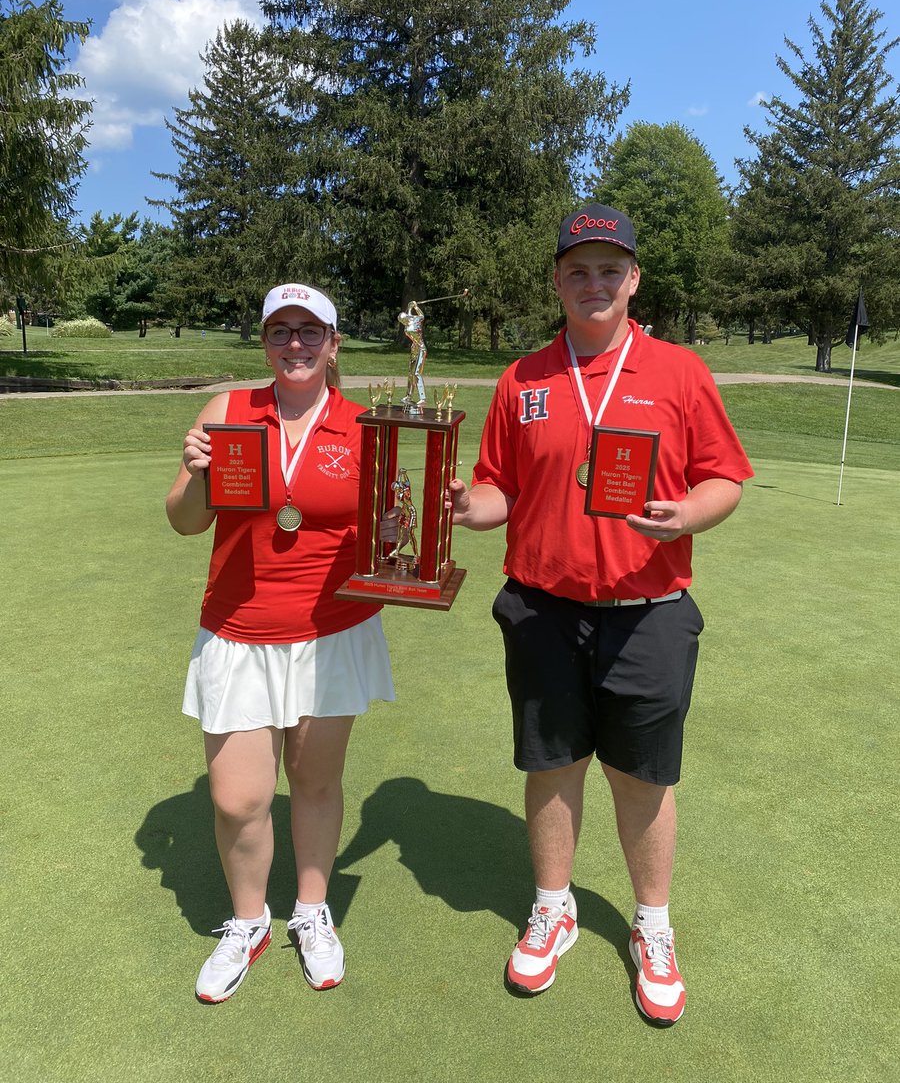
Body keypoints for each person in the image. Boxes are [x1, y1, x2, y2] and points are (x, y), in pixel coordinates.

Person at [450, 204, 753, 1026]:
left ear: (633, 279)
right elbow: (497, 488)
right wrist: (464, 505)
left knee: (642, 776)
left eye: (609, 270)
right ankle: (555, 906)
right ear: (556, 280)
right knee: (550, 765)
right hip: (543, 605)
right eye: (578, 270)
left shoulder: (680, 372)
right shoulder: (523, 379)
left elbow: (724, 476)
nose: (594, 284)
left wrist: (691, 514)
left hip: (649, 610)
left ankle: (652, 924)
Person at [166, 283, 394, 1004]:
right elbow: (183, 521)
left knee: (316, 784)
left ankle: (312, 909)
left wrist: (406, 526)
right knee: (238, 799)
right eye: (279, 332)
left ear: (334, 344)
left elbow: (388, 537)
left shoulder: (365, 424)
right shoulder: (228, 411)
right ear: (264, 341)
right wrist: (198, 474)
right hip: (238, 629)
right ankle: (248, 921)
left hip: (332, 633)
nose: (294, 345)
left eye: (309, 332)